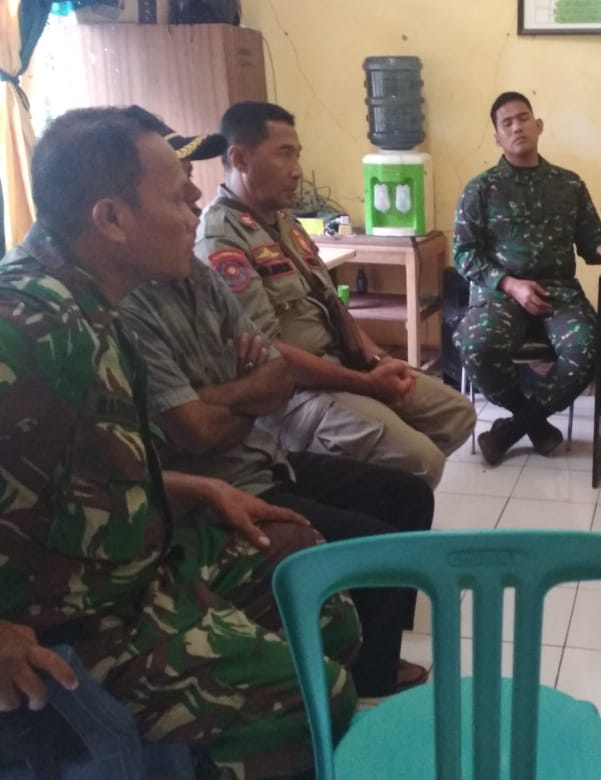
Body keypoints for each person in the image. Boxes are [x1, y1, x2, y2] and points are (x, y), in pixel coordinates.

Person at [0, 107, 360, 778]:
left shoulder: (97, 303)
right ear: (112, 219)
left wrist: (202, 488)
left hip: (135, 562)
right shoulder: (26, 322)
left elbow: (79, 472)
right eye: (176, 194)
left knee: (320, 598)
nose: (197, 201)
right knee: (316, 698)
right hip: (76, 621)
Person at [121, 107, 432, 699]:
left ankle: (376, 657)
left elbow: (274, 373)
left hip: (261, 454)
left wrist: (227, 395)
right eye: (175, 186)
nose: (194, 195)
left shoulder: (194, 273)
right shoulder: (135, 299)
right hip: (226, 481)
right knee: (377, 531)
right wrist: (243, 393)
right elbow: (198, 429)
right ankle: (354, 666)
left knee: (408, 496)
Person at [196, 101, 474, 489]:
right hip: (292, 394)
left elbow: (333, 306)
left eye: (297, 154)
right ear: (240, 158)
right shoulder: (220, 239)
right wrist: (364, 384)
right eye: (284, 154)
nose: (297, 170)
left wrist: (377, 361)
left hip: (341, 366)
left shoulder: (284, 221)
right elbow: (270, 356)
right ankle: (365, 498)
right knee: (420, 461)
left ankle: (375, 495)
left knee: (456, 414)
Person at [452, 91, 601, 466]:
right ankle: (534, 424)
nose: (517, 127)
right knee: (475, 345)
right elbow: (464, 254)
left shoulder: (569, 185)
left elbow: (592, 247)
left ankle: (510, 430)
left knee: (590, 348)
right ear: (497, 137)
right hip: (501, 292)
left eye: (523, 118)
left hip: (558, 293)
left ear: (539, 126)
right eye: (507, 123)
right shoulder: (481, 189)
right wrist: (510, 284)